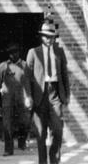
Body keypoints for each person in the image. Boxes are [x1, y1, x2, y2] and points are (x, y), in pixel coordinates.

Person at [26, 22, 70, 164]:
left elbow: (64, 74)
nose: (48, 39)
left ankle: (54, 160)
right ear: (41, 37)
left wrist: (67, 94)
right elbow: (27, 77)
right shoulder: (33, 52)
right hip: (39, 96)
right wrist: (28, 96)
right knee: (41, 134)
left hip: (55, 94)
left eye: (51, 37)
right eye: (45, 36)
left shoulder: (59, 52)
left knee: (58, 130)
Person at [0, 43, 32, 156]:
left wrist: (30, 98)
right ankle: (8, 149)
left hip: (21, 98)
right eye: (11, 53)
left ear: (19, 52)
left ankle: (21, 142)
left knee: (24, 122)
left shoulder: (25, 66)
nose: (13, 55)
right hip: (7, 99)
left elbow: (29, 83)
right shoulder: (3, 66)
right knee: (7, 123)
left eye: (15, 52)